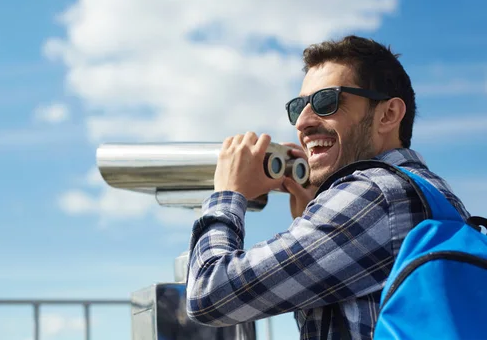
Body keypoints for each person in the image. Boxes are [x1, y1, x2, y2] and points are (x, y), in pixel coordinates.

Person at [185, 35, 470, 339]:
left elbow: (209, 294)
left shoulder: (373, 194)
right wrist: (310, 216)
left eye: (326, 101)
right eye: (298, 106)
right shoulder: (440, 197)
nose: (303, 122)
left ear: (388, 114)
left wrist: (227, 193)